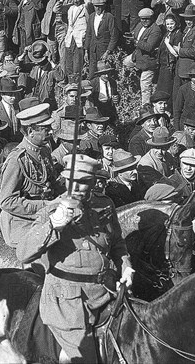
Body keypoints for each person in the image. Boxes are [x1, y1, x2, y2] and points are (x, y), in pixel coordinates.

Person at [16, 154, 134, 363]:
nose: (78, 188)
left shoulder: (104, 205)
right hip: (68, 303)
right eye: (73, 182)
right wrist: (53, 225)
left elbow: (117, 243)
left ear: (93, 181)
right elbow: (24, 252)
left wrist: (126, 266)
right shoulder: (52, 211)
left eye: (84, 182)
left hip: (105, 292)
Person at [0, 103, 59, 247]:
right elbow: (6, 201)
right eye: (46, 129)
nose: (51, 132)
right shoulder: (16, 160)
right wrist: (45, 205)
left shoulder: (43, 151)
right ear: (31, 131)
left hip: (46, 214)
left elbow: (51, 184)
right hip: (22, 221)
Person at [137, 127, 176, 191]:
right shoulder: (145, 163)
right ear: (151, 146)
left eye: (163, 148)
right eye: (157, 148)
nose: (159, 152)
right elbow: (155, 187)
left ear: (168, 147)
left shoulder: (168, 156)